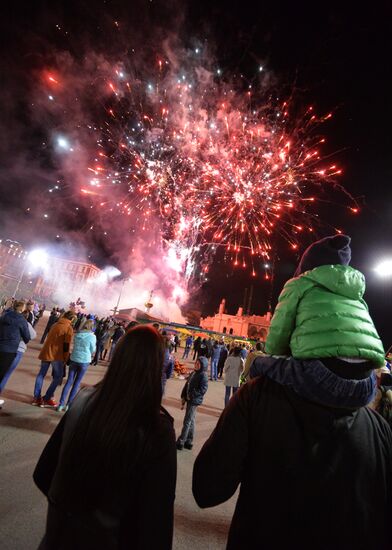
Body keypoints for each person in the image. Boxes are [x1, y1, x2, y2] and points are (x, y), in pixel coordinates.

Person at [192, 235, 390, 550]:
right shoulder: (357, 290)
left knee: (262, 364)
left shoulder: (299, 286)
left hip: (315, 374)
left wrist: (266, 364)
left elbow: (208, 489)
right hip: (363, 381)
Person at [33, 326, 176, 550]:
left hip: (57, 539)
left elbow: (43, 474)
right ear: (156, 367)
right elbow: (156, 524)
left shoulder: (83, 400)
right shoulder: (156, 428)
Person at [33, 311, 76, 408]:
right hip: (57, 355)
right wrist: (66, 358)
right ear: (72, 319)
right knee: (58, 377)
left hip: (46, 352)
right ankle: (47, 397)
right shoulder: (68, 328)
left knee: (41, 374)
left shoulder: (55, 324)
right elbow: (66, 346)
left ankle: (36, 397)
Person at [57, 319, 96, 412]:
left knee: (69, 382)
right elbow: (93, 349)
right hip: (84, 360)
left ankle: (61, 404)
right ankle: (68, 405)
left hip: (74, 359)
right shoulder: (92, 337)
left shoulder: (77, 334)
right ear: (92, 327)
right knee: (77, 383)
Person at [0, 300, 31, 407]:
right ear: (21, 309)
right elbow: (27, 337)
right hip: (9, 350)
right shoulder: (21, 320)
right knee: (1, 374)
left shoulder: (4, 316)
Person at [177, 356, 208, 450]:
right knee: (191, 420)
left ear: (203, 366)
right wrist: (183, 396)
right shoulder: (194, 373)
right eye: (196, 363)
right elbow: (187, 385)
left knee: (187, 421)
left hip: (194, 401)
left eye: (199, 364)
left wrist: (192, 394)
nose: (196, 365)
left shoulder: (203, 375)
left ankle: (182, 441)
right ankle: (189, 441)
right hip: (189, 399)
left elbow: (203, 389)